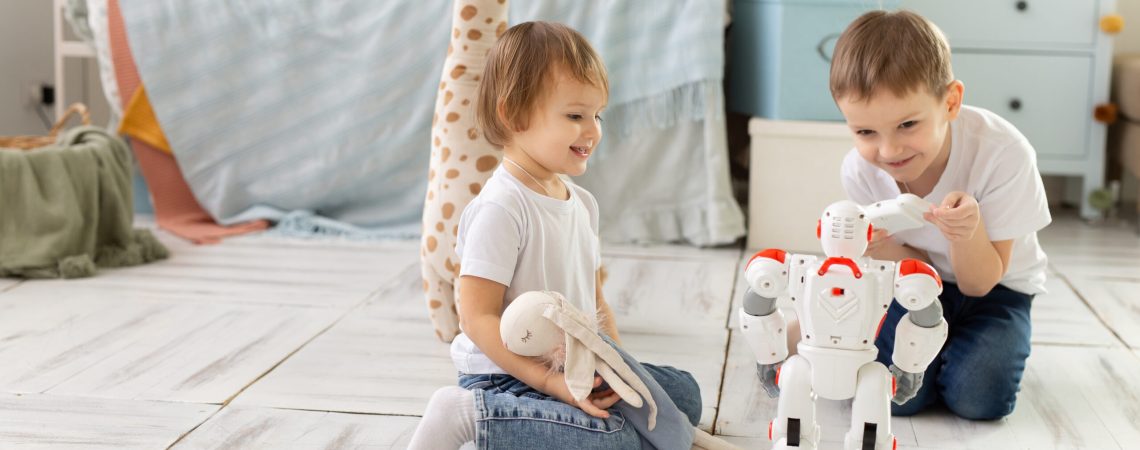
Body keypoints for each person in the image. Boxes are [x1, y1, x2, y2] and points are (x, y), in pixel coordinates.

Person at [408, 21, 702, 449]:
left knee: (684, 394)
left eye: (597, 114)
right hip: (507, 377)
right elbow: (477, 317)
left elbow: (595, 300)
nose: (593, 129)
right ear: (515, 114)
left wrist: (619, 371)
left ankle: (545, 429)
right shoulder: (502, 208)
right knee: (618, 440)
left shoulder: (582, 203)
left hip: (575, 365)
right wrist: (547, 382)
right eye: (575, 116)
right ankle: (466, 415)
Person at [831, 10, 1051, 420]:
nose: (890, 150)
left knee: (978, 399)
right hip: (918, 286)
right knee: (897, 399)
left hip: (998, 292)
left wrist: (967, 233)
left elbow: (980, 283)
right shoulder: (860, 171)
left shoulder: (1001, 153)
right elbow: (916, 267)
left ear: (950, 102)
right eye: (865, 132)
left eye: (908, 124)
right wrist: (882, 246)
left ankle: (970, 350)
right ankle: (943, 352)